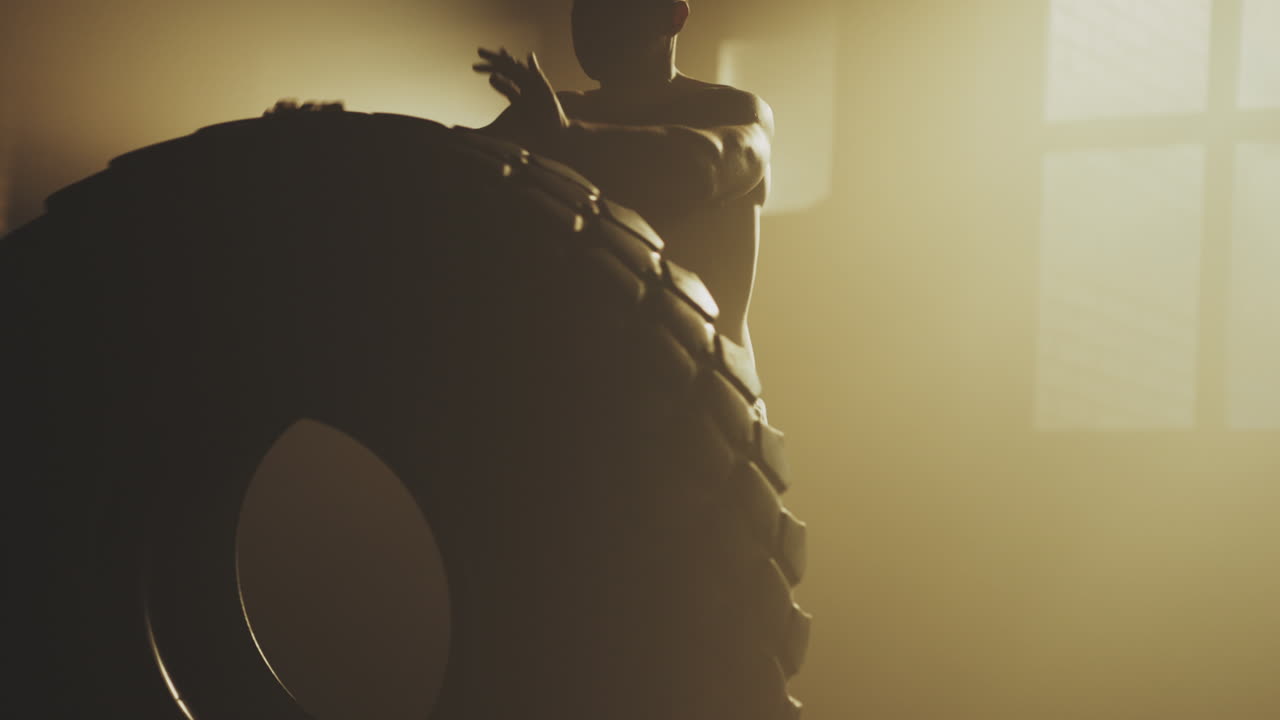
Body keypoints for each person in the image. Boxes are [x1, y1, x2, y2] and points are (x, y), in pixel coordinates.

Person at [473, 0, 774, 412]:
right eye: (584, 5)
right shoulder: (558, 112)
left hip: (708, 408)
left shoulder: (731, 109)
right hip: (585, 407)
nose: (590, 19)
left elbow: (703, 165)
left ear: (674, 16)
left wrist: (566, 137)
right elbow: (454, 161)